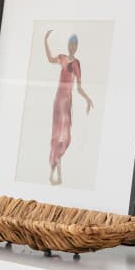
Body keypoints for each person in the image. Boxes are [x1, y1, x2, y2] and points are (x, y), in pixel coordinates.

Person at [44, 30, 93, 186]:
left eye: (75, 44)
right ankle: (54, 175)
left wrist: (87, 99)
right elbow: (50, 59)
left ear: (77, 46)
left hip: (67, 103)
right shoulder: (62, 58)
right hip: (59, 101)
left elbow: (78, 87)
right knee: (56, 136)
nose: (73, 46)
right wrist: (45, 41)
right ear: (68, 45)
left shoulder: (76, 64)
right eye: (71, 43)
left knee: (65, 138)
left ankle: (56, 175)